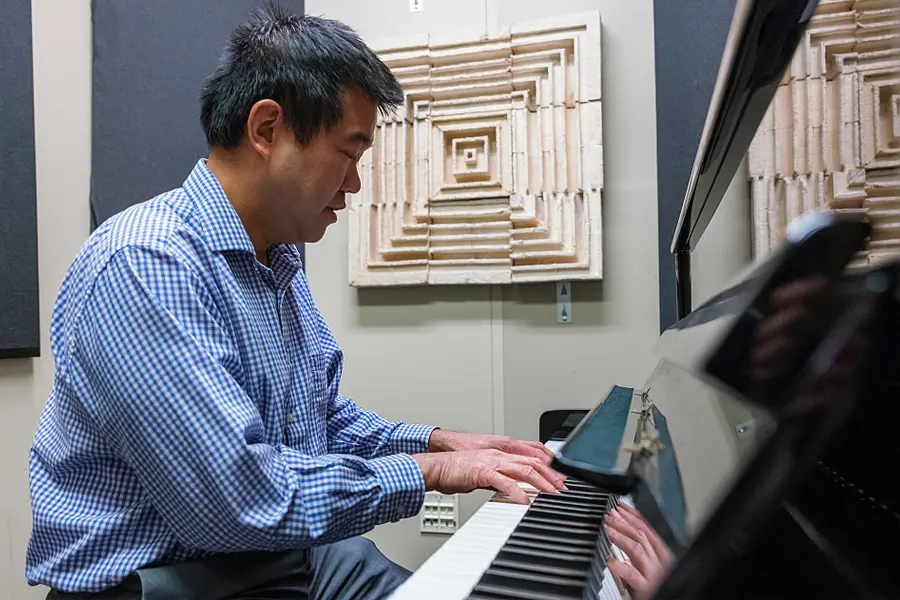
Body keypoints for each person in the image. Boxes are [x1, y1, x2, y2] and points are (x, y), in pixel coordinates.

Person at [25, 5, 566, 599]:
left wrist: (438, 443)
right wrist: (427, 472)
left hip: (277, 560)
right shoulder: (146, 264)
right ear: (267, 130)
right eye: (349, 152)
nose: (355, 185)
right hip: (168, 582)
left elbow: (320, 423)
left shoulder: (276, 260)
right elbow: (235, 501)